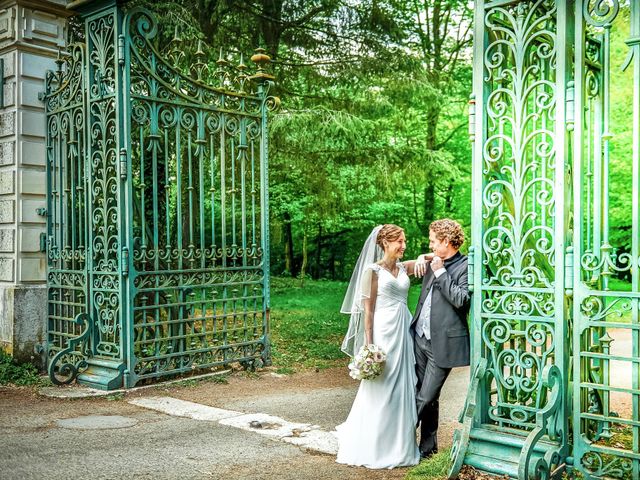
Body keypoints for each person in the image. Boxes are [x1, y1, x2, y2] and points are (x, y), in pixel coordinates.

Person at [335, 224, 421, 469]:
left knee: (403, 383)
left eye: (404, 241)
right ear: (385, 243)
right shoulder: (372, 271)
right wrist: (369, 344)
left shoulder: (404, 267)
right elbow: (368, 310)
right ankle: (375, 444)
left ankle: (400, 443)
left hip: (403, 330)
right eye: (400, 242)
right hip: (383, 332)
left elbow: (427, 259)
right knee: (382, 385)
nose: (404, 246)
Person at [411, 218, 470, 459]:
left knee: (424, 397)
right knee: (428, 396)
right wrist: (421, 258)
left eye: (434, 242)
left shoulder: (465, 266)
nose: (431, 245)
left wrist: (440, 272)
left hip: (442, 344)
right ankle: (428, 448)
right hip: (419, 338)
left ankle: (393, 437)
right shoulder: (434, 259)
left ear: (447, 241)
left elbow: (462, 300)